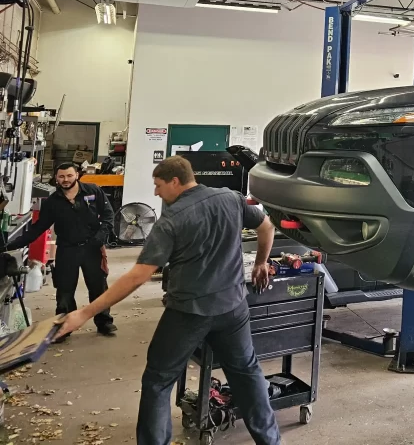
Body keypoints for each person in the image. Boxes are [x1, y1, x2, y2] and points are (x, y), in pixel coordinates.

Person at [57, 156, 281, 445]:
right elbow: (267, 227)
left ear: (176, 181)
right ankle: (271, 441)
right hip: (233, 307)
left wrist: (84, 313)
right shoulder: (231, 199)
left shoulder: (172, 221)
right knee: (247, 375)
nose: (155, 192)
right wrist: (261, 262)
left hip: (189, 312)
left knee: (158, 381)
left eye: (158, 185)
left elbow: (137, 277)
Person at [5, 162, 116, 336]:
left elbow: (109, 215)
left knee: (98, 287)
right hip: (67, 249)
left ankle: (104, 322)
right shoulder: (52, 202)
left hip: (92, 248)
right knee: (64, 290)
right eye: (61, 176)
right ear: (56, 178)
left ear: (77, 175)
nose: (66, 180)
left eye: (69, 176)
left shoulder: (93, 191)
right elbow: (39, 227)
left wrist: (101, 236)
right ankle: (64, 326)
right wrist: (11, 244)